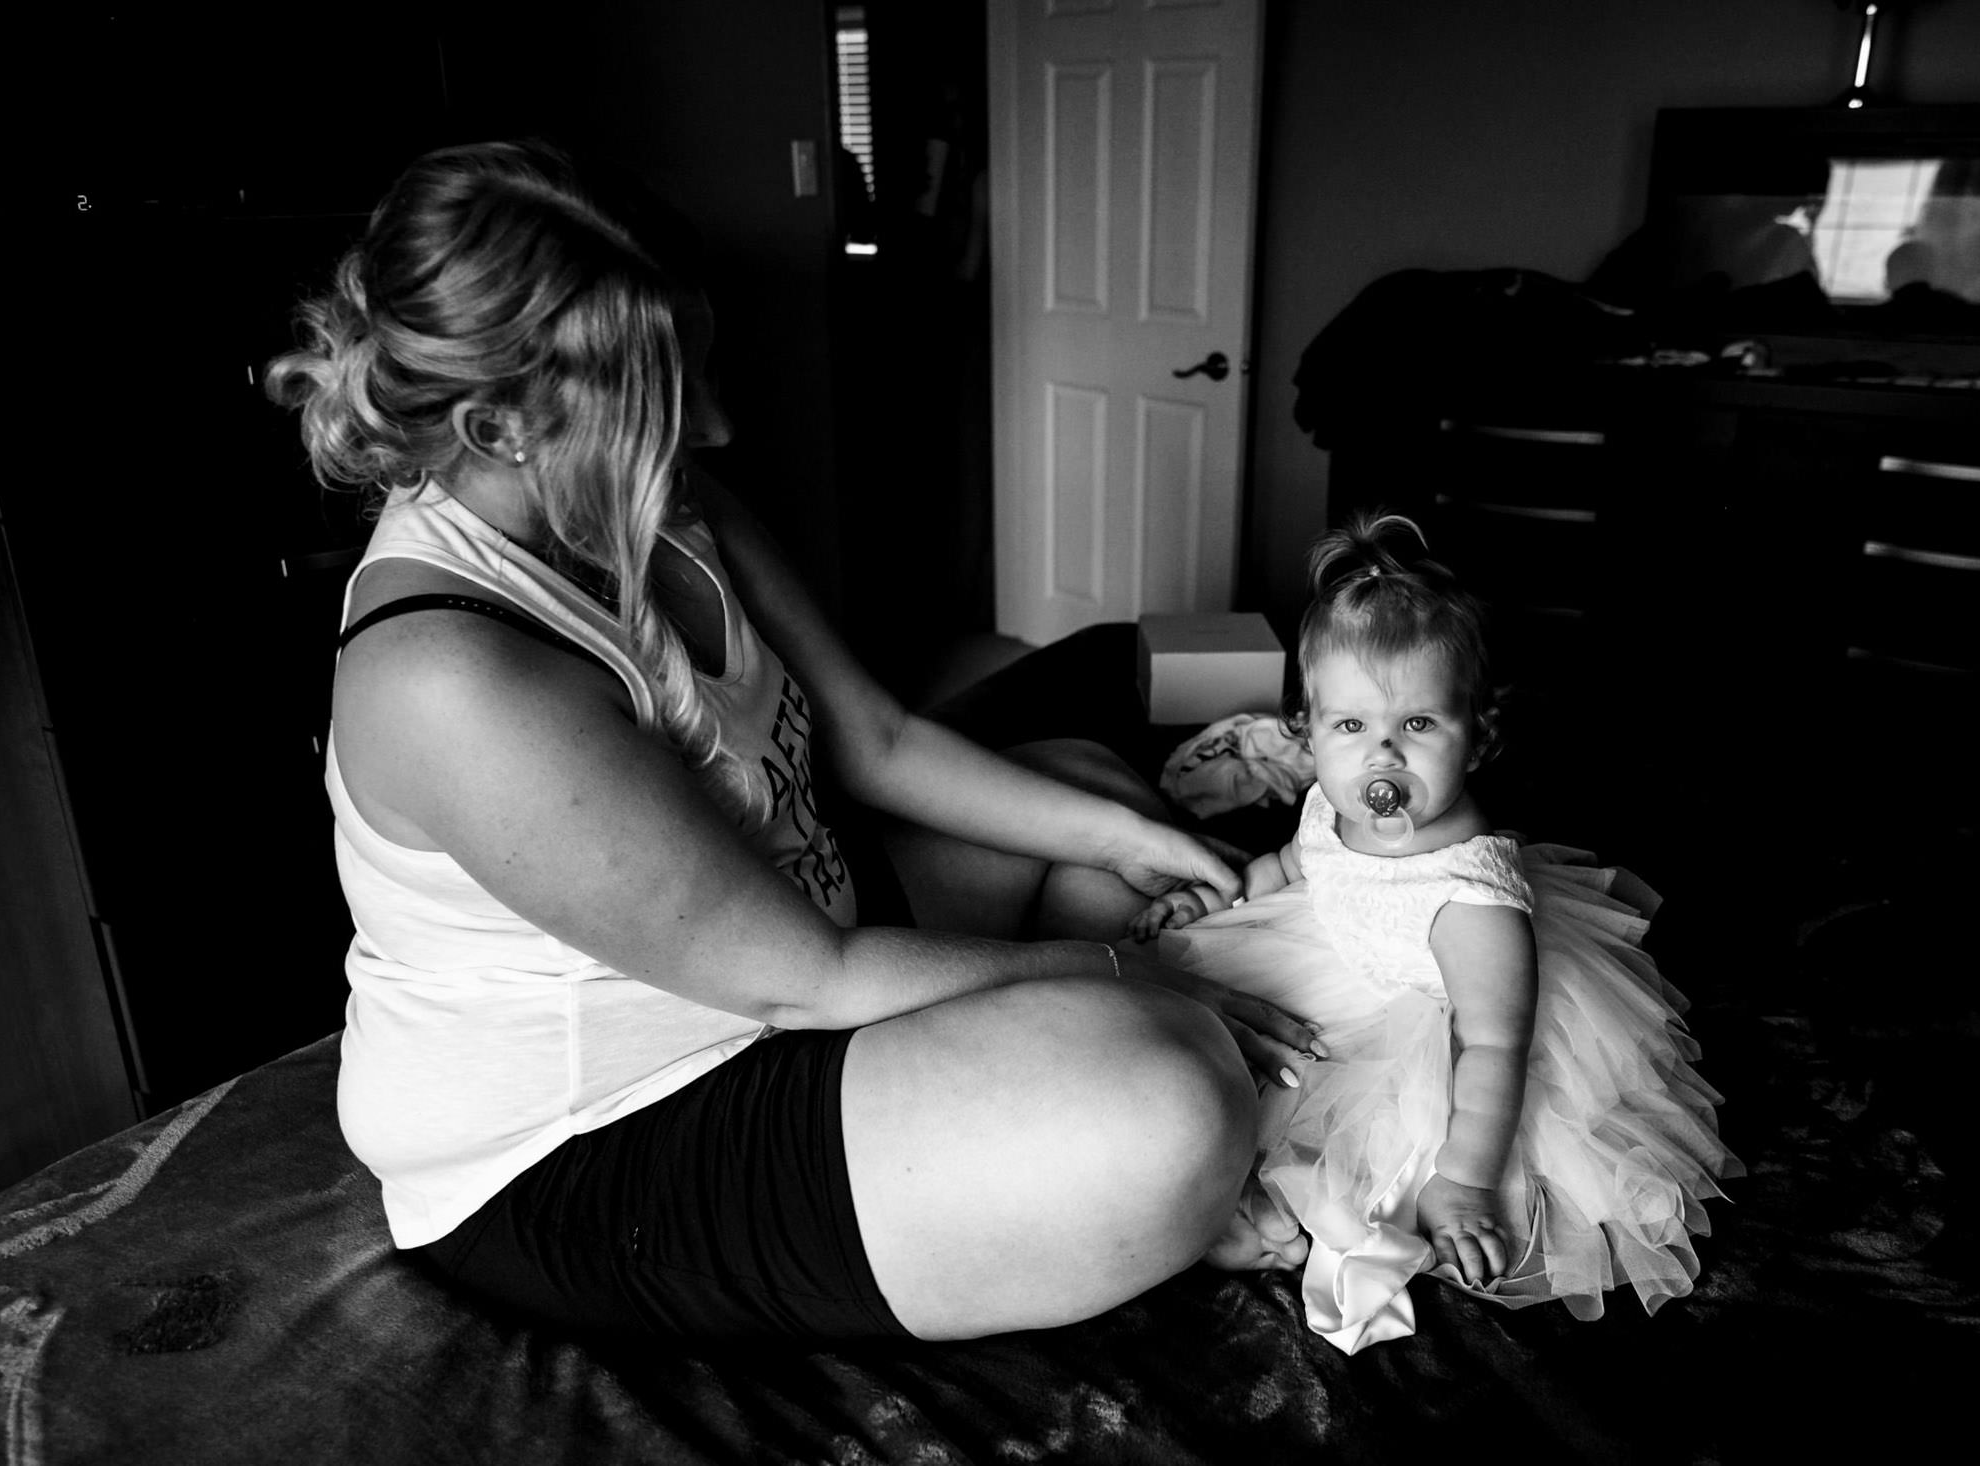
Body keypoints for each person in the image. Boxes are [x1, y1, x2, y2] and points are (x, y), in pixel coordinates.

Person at [264, 139, 1321, 1345]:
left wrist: (1135, 828)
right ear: (499, 424)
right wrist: (1134, 976)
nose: (713, 424)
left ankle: (1047, 1121)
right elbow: (803, 976)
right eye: (668, 392)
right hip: (607, 1126)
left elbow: (876, 738)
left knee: (1087, 796)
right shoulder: (447, 672)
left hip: (780, 948)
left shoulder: (650, 497)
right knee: (1167, 1090)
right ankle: (1114, 1154)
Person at [1131, 513, 1743, 1353]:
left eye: (1417, 726)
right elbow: (1298, 862)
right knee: (1203, 1044)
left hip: (1450, 1020)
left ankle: (1309, 1210)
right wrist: (1221, 900)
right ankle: (1240, 1193)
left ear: (1479, 735)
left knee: (1381, 1158)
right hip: (1335, 962)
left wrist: (1465, 1181)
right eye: (1352, 728)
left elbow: (1492, 1044)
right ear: (1307, 732)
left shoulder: (1472, 899)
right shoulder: (1329, 800)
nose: (1381, 758)